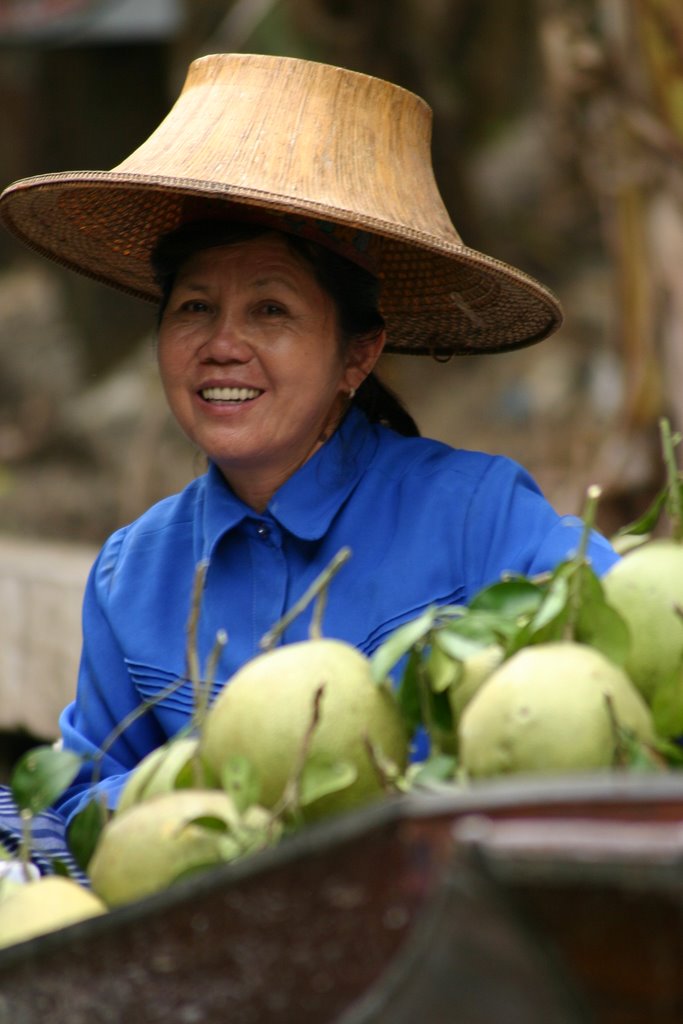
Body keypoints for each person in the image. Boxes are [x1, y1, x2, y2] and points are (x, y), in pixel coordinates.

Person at [0, 54, 618, 864]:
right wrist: (196, 799)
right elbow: (65, 816)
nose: (223, 346)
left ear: (356, 357)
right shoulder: (133, 576)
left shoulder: (479, 516)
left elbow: (618, 681)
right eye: (194, 308)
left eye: (271, 309)